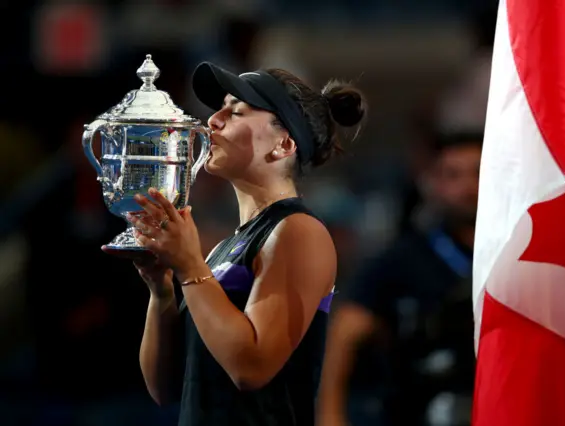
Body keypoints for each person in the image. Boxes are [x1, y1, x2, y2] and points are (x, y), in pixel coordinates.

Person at [111, 63, 367, 426]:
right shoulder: (222, 251)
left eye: (236, 111)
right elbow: (165, 388)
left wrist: (190, 267)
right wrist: (162, 291)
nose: (212, 120)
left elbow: (251, 367)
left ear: (284, 144)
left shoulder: (298, 231)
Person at [316, 132, 482, 426]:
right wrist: (331, 416)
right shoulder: (400, 261)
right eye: (453, 176)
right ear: (433, 185)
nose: (468, 187)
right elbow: (344, 336)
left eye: (478, 174)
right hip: (414, 410)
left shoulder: (516, 258)